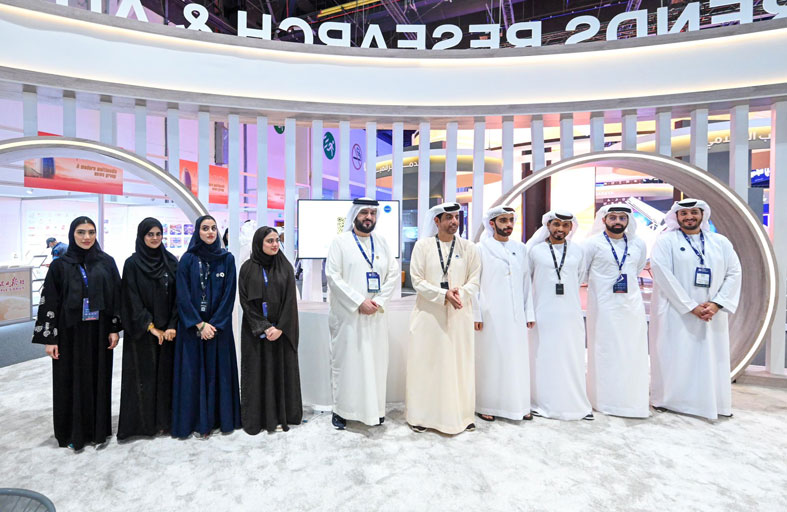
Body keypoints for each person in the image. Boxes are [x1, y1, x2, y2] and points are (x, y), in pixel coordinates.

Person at [32, 217, 122, 450]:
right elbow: (49, 301)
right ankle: (72, 432)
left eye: (91, 232)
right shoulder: (60, 265)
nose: (86, 237)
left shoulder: (106, 262)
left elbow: (115, 297)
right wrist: (50, 339)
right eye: (81, 232)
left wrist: (114, 328)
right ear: (72, 234)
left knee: (98, 377)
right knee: (69, 380)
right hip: (69, 333)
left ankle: (97, 430)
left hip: (99, 332)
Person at [649, 198, 742, 420]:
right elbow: (662, 274)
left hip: (711, 313)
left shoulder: (720, 242)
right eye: (684, 213)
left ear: (702, 215)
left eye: (694, 213)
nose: (689, 217)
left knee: (710, 357)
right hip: (675, 312)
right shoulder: (665, 241)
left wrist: (716, 304)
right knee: (674, 355)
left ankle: (710, 402)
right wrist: (690, 306)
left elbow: (734, 272)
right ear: (676, 217)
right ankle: (669, 400)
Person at [406, 202, 481, 434]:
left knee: (459, 365)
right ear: (436, 221)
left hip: (459, 315)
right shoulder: (423, 246)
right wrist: (442, 295)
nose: (454, 221)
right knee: (427, 364)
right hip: (429, 316)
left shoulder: (469, 248)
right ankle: (421, 417)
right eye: (448, 217)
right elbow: (417, 280)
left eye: (456, 217)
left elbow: (475, 280)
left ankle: (462, 416)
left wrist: (460, 294)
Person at [325, 198, 400, 430]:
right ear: (355, 215)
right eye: (364, 213)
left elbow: (393, 274)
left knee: (375, 364)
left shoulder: (382, 242)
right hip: (348, 318)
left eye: (372, 213)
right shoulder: (340, 242)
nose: (369, 217)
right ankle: (342, 411)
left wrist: (377, 301)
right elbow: (333, 277)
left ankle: (374, 411)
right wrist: (359, 302)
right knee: (348, 364)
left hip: (375, 315)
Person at [171, 215, 241, 438]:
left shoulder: (227, 259)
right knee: (193, 376)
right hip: (193, 330)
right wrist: (199, 324)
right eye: (205, 228)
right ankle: (195, 421)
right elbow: (182, 295)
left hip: (218, 331)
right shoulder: (187, 259)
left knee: (219, 376)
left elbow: (229, 295)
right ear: (197, 232)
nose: (210, 232)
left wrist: (214, 325)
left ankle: (220, 419)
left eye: (213, 228)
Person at [583, 204, 649, 418]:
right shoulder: (592, 244)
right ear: (604, 220)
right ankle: (604, 400)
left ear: (628, 220)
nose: (618, 221)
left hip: (631, 307)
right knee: (605, 352)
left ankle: (630, 399)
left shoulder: (638, 243)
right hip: (603, 308)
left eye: (622, 217)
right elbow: (582, 273)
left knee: (632, 351)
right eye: (613, 217)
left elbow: (637, 268)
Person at [526, 210, 593, 421]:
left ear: (571, 227)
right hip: (543, 313)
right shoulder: (535, 251)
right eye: (556, 224)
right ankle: (542, 401)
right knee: (543, 357)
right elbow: (527, 280)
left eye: (565, 225)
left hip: (570, 313)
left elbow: (580, 276)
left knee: (570, 356)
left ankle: (572, 402)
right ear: (548, 225)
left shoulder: (578, 251)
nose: (560, 229)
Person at [118, 218, 179, 439]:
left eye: (158, 234)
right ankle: (144, 425)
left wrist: (172, 325)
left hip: (169, 333)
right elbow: (130, 297)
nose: (155, 238)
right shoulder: (132, 264)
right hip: (142, 333)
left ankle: (165, 421)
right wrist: (150, 326)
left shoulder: (170, 262)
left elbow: (179, 296)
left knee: (166, 378)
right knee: (143, 379)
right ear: (141, 236)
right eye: (150, 234)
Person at [473, 206, 536, 422]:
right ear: (492, 223)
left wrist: (529, 312)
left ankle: (519, 405)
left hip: (516, 314)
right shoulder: (480, 248)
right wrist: (476, 314)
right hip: (490, 314)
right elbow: (474, 284)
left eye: (511, 220)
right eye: (503, 220)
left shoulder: (520, 248)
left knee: (517, 359)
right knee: (492, 359)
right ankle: (487, 405)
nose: (508, 225)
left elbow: (526, 282)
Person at [239, 226, 302, 434]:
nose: (275, 244)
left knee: (280, 372)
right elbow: (245, 302)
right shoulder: (247, 268)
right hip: (255, 332)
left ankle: (284, 414)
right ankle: (259, 418)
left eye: (276, 240)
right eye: (269, 241)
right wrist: (264, 327)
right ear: (259, 243)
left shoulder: (285, 267)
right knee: (257, 373)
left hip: (281, 332)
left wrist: (280, 328)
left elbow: (290, 302)